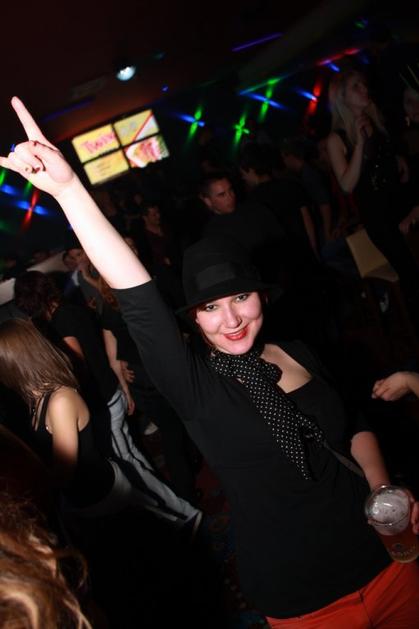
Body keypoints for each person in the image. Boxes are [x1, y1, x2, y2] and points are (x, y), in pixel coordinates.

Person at [2, 97, 419, 627]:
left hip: (385, 558)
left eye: (240, 297)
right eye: (211, 308)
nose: (231, 319)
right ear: (195, 319)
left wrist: (381, 489)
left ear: (261, 296)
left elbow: (351, 424)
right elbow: (140, 298)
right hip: (305, 597)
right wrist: (69, 193)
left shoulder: (297, 351)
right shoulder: (193, 382)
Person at [326, 68, 419, 310]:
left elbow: (384, 161)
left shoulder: (376, 121)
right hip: (380, 217)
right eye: (356, 86)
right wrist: (359, 144)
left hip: (401, 202)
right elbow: (346, 185)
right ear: (342, 97)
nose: (365, 89)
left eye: (363, 84)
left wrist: (397, 158)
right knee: (410, 273)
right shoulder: (336, 139)